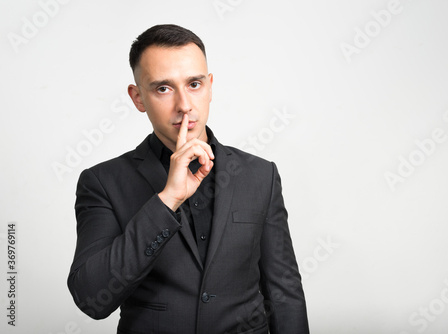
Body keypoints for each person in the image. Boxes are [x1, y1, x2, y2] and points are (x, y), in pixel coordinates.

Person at [67, 24, 309, 334]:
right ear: (138, 97)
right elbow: (91, 299)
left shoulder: (260, 175)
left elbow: (284, 292)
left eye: (194, 84)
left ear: (210, 87)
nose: (184, 105)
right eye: (163, 88)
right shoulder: (102, 182)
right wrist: (167, 200)